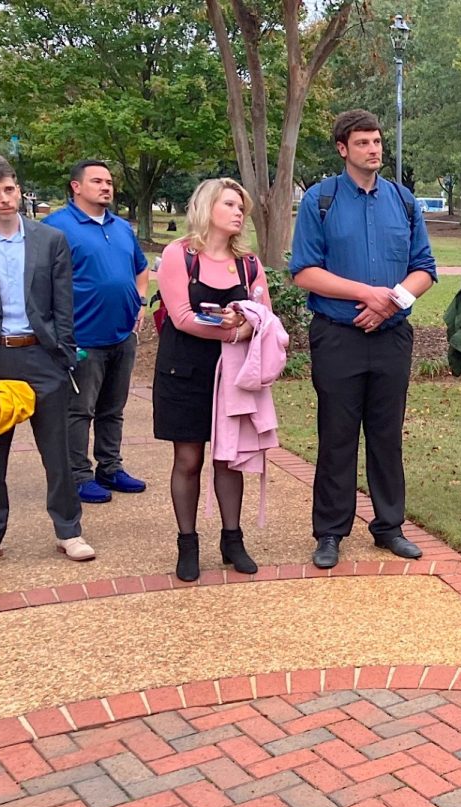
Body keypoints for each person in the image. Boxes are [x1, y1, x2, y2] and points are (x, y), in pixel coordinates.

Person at [290, 109, 437, 570]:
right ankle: (330, 531)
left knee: (386, 434)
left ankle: (389, 526)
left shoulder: (403, 201)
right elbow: (305, 272)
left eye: (377, 142)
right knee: (336, 435)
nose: (373, 150)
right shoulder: (321, 200)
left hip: (391, 335)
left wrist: (390, 302)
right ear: (342, 148)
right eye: (363, 143)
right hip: (337, 336)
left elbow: (424, 269)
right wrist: (365, 294)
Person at [0, 153, 95, 570]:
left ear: (18, 188)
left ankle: (69, 531)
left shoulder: (49, 240)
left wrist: (65, 355)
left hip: (42, 355)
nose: (4, 198)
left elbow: (63, 306)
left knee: (59, 450)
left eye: (9, 189)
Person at [153, 178, 268, 582]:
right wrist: (231, 329)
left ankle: (232, 540)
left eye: (242, 207)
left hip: (233, 375)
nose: (239, 213)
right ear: (208, 208)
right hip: (183, 370)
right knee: (188, 458)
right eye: (232, 204)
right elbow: (182, 318)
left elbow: (264, 319)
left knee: (228, 458)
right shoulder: (178, 255)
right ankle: (188, 543)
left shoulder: (249, 263)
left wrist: (244, 325)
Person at [44, 160, 149, 504]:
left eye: (109, 181)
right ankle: (78, 475)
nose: (106, 187)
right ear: (76, 187)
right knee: (79, 410)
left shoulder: (121, 227)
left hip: (122, 335)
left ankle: (110, 467)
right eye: (97, 181)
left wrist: (141, 302)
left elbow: (141, 269)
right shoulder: (55, 228)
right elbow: (39, 282)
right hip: (81, 339)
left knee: (112, 409)